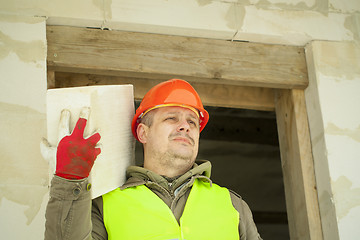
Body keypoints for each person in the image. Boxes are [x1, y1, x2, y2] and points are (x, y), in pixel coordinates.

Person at [43, 79, 262, 240]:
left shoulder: (233, 205)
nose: (185, 126)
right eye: (171, 118)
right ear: (143, 133)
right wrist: (70, 180)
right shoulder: (105, 204)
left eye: (192, 122)